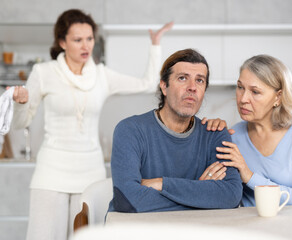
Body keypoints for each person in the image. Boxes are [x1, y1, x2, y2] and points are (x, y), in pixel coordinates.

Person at [11, 9, 173, 240]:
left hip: (90, 173)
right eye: (77, 40)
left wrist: (155, 45)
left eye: (89, 39)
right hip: (50, 171)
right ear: (62, 42)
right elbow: (21, 122)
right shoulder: (43, 72)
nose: (85, 45)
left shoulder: (101, 75)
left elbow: (148, 84)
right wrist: (20, 104)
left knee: (86, 236)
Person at [109, 48, 243, 213]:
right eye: (182, 78)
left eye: (200, 80)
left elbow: (231, 195)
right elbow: (127, 200)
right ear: (164, 87)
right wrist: (201, 195)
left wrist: (161, 184)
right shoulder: (130, 131)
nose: (192, 87)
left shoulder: (215, 133)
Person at [215, 54, 292, 206]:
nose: (242, 99)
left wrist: (250, 177)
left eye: (255, 92)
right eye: (240, 87)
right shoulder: (233, 137)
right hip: (246, 228)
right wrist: (208, 134)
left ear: (278, 97)